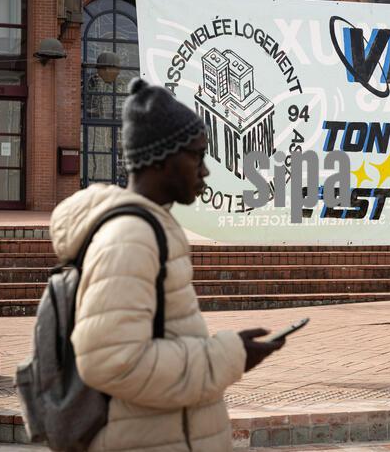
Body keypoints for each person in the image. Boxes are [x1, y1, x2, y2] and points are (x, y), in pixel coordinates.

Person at [49, 79, 284, 451]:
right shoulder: (131, 237)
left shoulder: (150, 227)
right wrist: (227, 356)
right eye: (196, 155)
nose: (204, 171)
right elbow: (111, 360)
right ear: (161, 157)